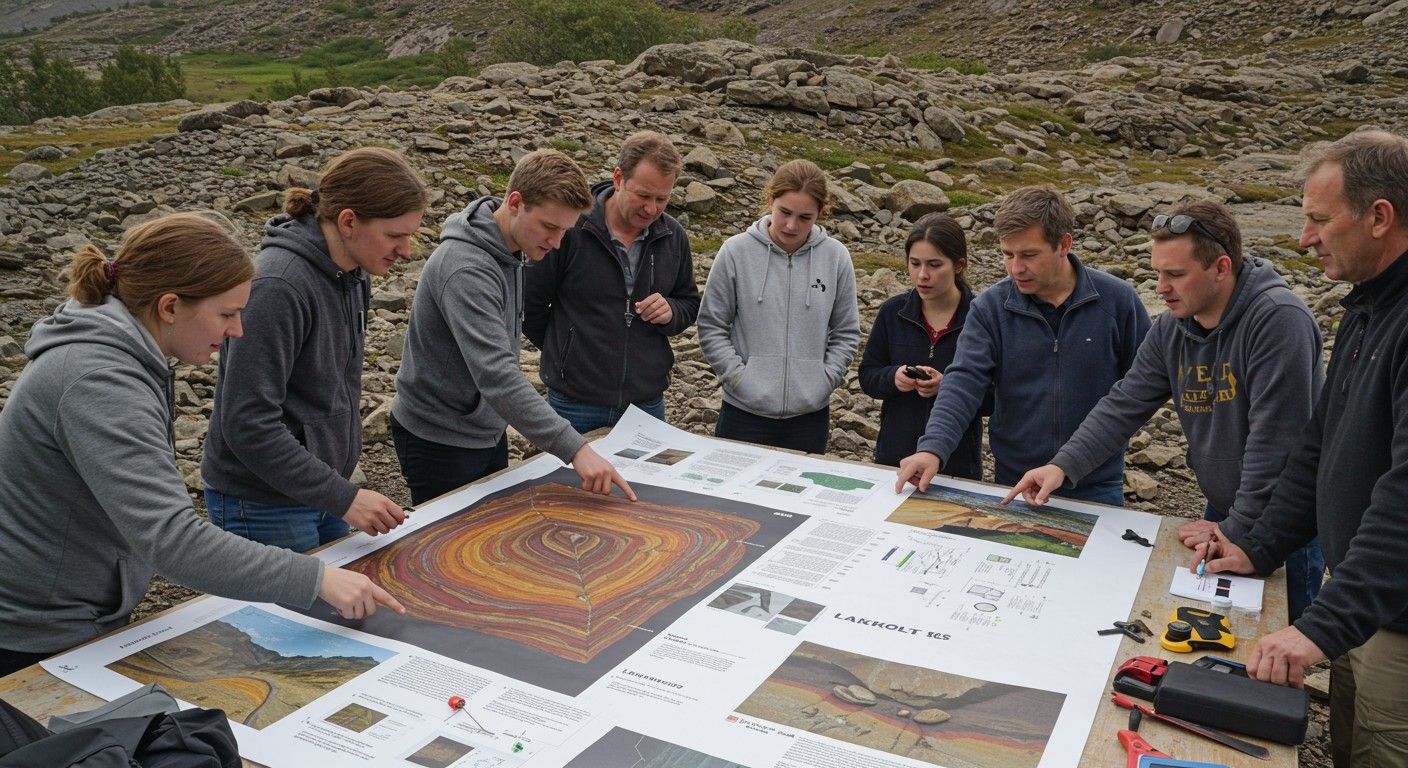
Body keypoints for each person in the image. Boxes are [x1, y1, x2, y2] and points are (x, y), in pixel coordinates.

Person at [0, 213, 404, 677]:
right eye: (227, 314)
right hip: (33, 631)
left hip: (72, 605)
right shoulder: (98, 380)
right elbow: (173, 540)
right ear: (169, 307)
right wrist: (316, 578)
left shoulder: (123, 350)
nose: (237, 332)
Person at [1192, 130, 1408, 766]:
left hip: (1396, 616)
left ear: (1379, 217)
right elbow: (1319, 447)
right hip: (1367, 603)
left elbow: (1406, 497)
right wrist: (1257, 547)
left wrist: (1320, 627)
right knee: (1349, 742)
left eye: (1318, 219)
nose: (1305, 237)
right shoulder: (1371, 306)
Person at [1004, 200, 1326, 621]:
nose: (1159, 288)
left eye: (1175, 275)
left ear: (1222, 267)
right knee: (1219, 633)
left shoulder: (1278, 322)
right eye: (1157, 273)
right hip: (1227, 509)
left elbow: (1275, 445)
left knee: (1277, 648)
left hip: (1284, 525)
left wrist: (1236, 529)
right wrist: (1061, 466)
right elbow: (1124, 402)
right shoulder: (1173, 326)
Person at [203, 147, 423, 551]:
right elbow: (247, 422)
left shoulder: (355, 271)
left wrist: (336, 493)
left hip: (320, 488)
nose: (407, 251)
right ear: (349, 221)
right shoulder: (279, 287)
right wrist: (347, 497)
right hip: (264, 502)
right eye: (395, 235)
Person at [392, 149, 635, 506]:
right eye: (550, 227)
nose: (556, 243)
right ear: (516, 202)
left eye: (565, 232)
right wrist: (576, 449)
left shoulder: (512, 247)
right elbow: (496, 374)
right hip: (439, 436)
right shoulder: (466, 268)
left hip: (483, 426)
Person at [895, 186, 1150, 504]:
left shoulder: (1119, 301)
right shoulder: (990, 308)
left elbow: (1140, 390)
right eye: (1008, 254)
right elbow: (963, 382)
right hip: (1015, 481)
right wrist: (932, 448)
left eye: (1029, 255)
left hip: (1096, 482)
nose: (1016, 268)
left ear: (1063, 245)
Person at [524, 131, 699, 432]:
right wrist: (567, 352)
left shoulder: (672, 236)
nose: (651, 209)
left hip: (646, 403)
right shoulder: (572, 229)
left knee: (643, 482)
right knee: (569, 482)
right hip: (574, 404)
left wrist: (671, 310)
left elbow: (689, 302)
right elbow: (529, 304)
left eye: (662, 199)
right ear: (618, 178)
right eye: (643, 195)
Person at [697, 159, 860, 454]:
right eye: (784, 212)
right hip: (743, 413)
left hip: (809, 417)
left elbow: (847, 332)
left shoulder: (836, 257)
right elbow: (711, 326)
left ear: (821, 214)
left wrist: (823, 381)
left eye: (805, 217)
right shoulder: (735, 252)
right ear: (770, 199)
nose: (791, 225)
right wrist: (739, 379)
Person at [858, 212, 985, 474]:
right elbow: (868, 375)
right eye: (915, 263)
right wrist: (894, 377)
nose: (922, 275)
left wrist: (948, 386)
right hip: (894, 457)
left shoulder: (981, 316)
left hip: (957, 463)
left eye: (935, 265)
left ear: (959, 265)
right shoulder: (893, 312)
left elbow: (998, 395)